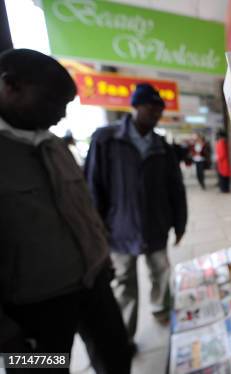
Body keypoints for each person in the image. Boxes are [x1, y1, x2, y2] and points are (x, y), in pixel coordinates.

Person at [0, 49, 131, 373]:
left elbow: (83, 208)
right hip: (32, 313)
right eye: (52, 102)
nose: (61, 115)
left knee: (116, 358)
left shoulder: (56, 146)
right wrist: (6, 337)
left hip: (94, 286)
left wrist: (102, 258)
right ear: (11, 86)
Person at [84, 83, 188, 347]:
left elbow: (175, 188)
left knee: (160, 274)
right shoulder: (106, 140)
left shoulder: (162, 146)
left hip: (156, 226)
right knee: (124, 284)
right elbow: (93, 186)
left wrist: (180, 223)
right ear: (136, 106)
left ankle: (160, 311)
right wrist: (97, 229)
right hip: (119, 230)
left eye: (159, 109)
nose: (155, 113)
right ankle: (124, 335)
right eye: (150, 107)